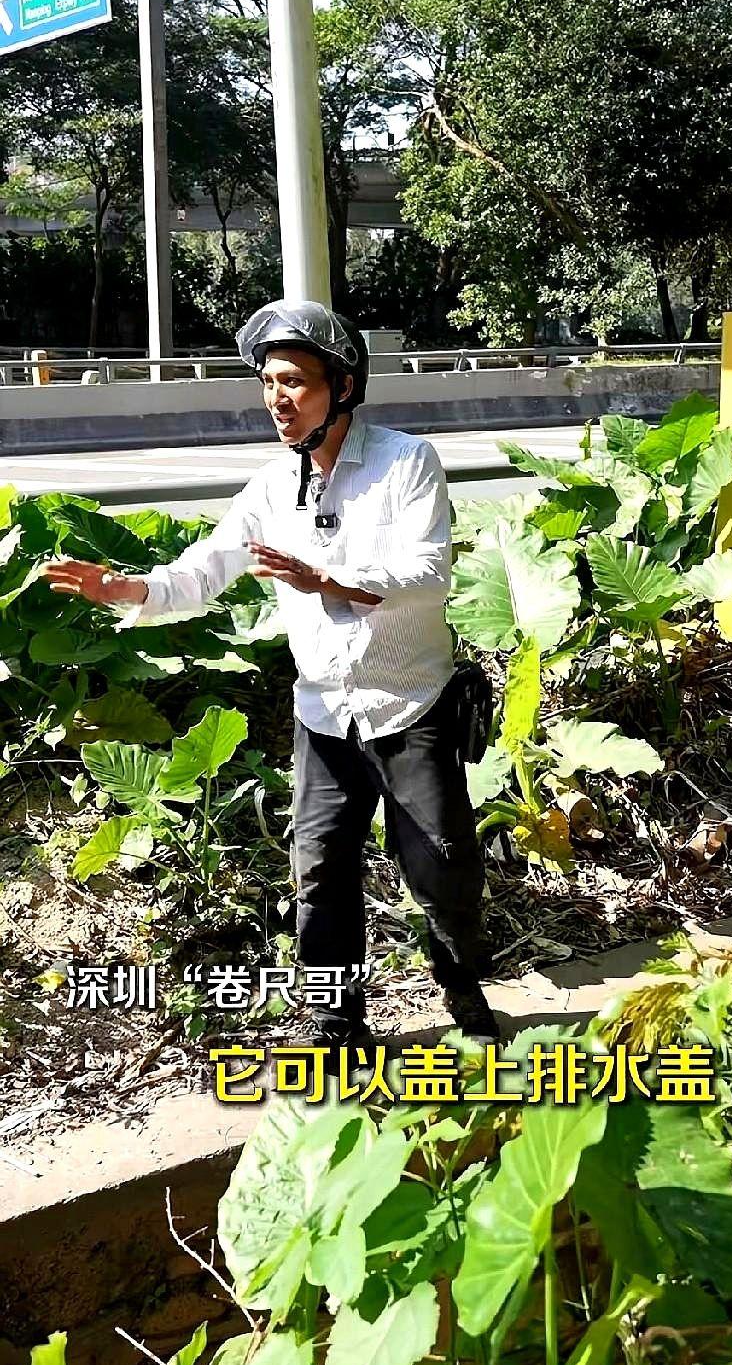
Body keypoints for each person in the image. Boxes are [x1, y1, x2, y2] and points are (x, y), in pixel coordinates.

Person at [41, 300, 499, 1059]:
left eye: (294, 382)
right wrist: (127, 589)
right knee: (319, 872)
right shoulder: (267, 490)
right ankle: (337, 1024)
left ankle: (462, 986)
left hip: (409, 706)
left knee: (442, 870)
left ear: (342, 386)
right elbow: (201, 574)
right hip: (324, 714)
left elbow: (428, 572)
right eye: (267, 384)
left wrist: (329, 576)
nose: (277, 400)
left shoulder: (406, 463)